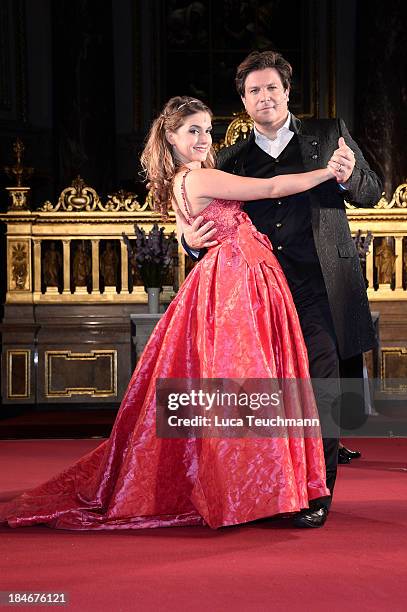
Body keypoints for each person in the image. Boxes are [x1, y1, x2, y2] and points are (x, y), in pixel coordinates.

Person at [0, 96, 341, 532]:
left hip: (234, 275)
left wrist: (192, 239)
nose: (203, 139)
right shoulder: (199, 178)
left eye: (206, 130)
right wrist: (328, 171)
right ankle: (253, 490)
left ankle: (259, 487)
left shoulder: (177, 182)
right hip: (238, 280)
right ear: (172, 137)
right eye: (193, 131)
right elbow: (272, 189)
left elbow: (194, 229)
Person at [181, 51, 382, 527]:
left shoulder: (329, 134)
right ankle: (271, 490)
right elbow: (207, 218)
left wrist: (351, 174)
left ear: (287, 92)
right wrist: (188, 243)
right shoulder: (231, 159)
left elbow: (373, 188)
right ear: (244, 102)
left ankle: (318, 495)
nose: (264, 97)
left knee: (321, 387)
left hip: (321, 287)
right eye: (254, 91)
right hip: (256, 295)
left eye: (272, 87)